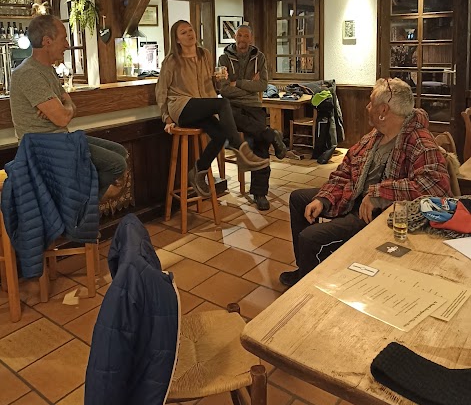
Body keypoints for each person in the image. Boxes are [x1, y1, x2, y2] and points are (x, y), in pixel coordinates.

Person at [279, 77, 452, 288]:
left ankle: (308, 286)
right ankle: (306, 270)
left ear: (383, 110)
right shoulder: (375, 136)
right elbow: (346, 170)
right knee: (299, 199)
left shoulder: (419, 140)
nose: (367, 107)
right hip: (355, 196)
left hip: (376, 215)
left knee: (310, 238)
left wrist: (380, 194)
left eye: (371, 102)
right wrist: (324, 198)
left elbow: (437, 188)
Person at [9, 14, 128, 199]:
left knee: (121, 152)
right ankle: (83, 201)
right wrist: (63, 107)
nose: (66, 44)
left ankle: (83, 198)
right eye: (63, 38)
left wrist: (64, 105)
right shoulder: (28, 73)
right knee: (117, 164)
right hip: (45, 148)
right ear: (47, 41)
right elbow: (63, 117)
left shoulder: (48, 70)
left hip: (62, 139)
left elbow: (69, 105)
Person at [155, 20, 269, 199]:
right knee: (223, 103)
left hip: (200, 106)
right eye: (183, 32)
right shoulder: (171, 61)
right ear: (176, 39)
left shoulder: (205, 54)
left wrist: (217, 81)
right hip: (181, 107)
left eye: (190, 30)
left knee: (221, 134)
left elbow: (213, 87)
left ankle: (198, 170)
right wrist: (166, 118)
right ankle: (240, 149)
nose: (189, 34)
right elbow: (161, 90)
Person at [218, 24, 286, 211]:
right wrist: (248, 85)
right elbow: (223, 89)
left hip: (254, 106)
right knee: (260, 133)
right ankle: (271, 134)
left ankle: (260, 193)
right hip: (231, 107)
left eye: (246, 36)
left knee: (259, 143)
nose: (242, 39)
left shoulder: (259, 57)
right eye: (239, 35)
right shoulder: (223, 58)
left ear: (251, 39)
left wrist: (237, 82)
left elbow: (262, 85)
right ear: (235, 37)